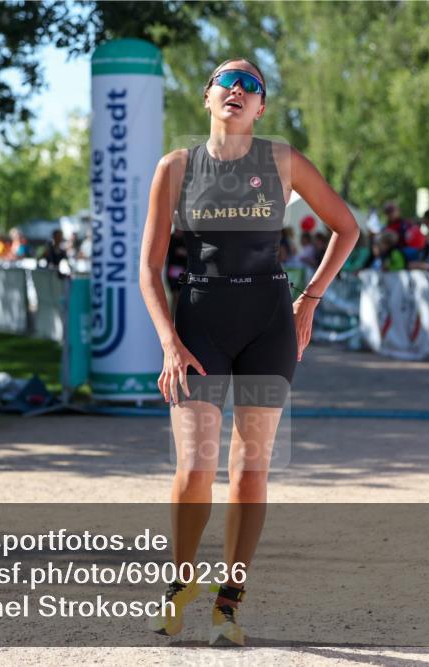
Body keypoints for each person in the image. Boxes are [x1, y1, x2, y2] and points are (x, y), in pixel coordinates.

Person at [138, 57, 358, 646]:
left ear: (260, 107)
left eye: (251, 85)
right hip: (199, 324)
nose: (237, 90)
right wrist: (168, 341)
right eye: (226, 82)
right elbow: (149, 268)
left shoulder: (281, 161)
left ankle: (228, 606)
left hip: (268, 324)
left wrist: (309, 300)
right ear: (207, 97)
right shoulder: (177, 166)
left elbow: (347, 226)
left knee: (250, 470)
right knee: (194, 468)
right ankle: (180, 585)